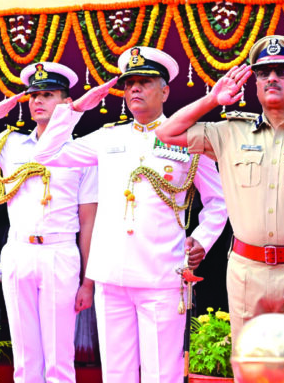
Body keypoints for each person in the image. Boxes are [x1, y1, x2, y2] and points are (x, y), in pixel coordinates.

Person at [34, 47, 228, 383]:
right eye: (129, 83)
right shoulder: (109, 136)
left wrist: (201, 239)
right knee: (116, 374)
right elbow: (46, 154)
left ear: (164, 91)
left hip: (161, 273)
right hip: (111, 274)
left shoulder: (187, 138)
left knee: (161, 374)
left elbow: (218, 200)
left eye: (144, 82)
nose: (134, 88)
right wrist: (74, 110)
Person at [155, 35, 284, 343]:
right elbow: (166, 133)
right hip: (247, 273)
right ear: (255, 83)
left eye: (282, 71)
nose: (271, 78)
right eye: (263, 73)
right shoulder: (230, 132)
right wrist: (213, 100)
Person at [0, 62, 98, 383]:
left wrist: (88, 281)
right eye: (34, 95)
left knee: (59, 359)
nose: (38, 100)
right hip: (18, 251)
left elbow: (88, 220)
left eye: (48, 94)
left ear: (68, 103)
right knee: (24, 359)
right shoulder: (8, 144)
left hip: (60, 252)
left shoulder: (83, 151)